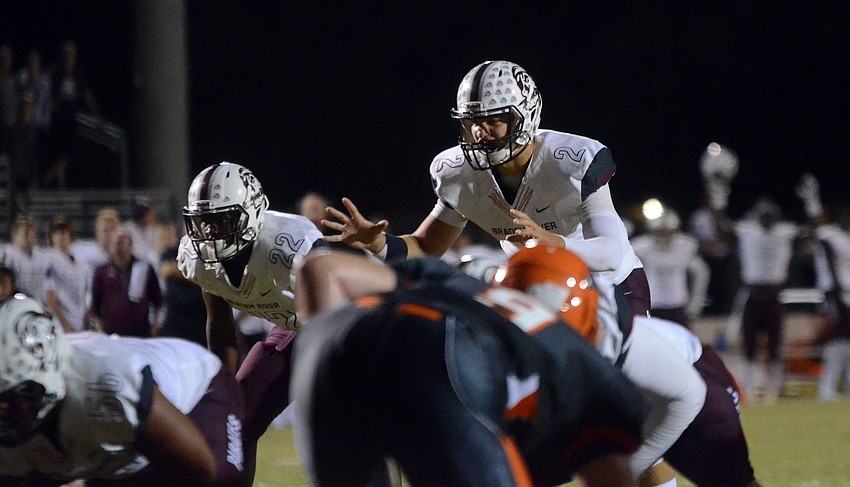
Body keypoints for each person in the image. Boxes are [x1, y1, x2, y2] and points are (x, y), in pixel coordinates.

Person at [323, 59, 650, 317]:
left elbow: (611, 253)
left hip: (610, 287)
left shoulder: (572, 159)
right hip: (537, 292)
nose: (479, 132)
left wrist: (553, 243)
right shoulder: (457, 173)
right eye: (472, 122)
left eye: (492, 121)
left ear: (526, 116)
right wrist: (378, 242)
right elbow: (425, 247)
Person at [292, 250, 646, 487]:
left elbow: (322, 268)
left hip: (326, 341)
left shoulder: (463, 287)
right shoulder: (591, 372)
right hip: (441, 347)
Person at [496, 244, 762, 487]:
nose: (548, 343)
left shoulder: (620, 342)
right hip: (609, 398)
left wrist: (624, 472)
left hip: (689, 383)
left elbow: (686, 396)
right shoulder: (493, 330)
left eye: (557, 331)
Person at [177, 161, 325, 481]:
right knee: (234, 426)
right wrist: (222, 391)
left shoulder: (289, 243)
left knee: (354, 427)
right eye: (204, 223)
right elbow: (219, 324)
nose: (210, 232)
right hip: (293, 326)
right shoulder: (198, 258)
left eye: (220, 221)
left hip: (346, 325)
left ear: (250, 213)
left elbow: (335, 313)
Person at [0, 294, 247, 486]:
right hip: (111, 448)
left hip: (195, 392)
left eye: (16, 400)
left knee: (221, 482)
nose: (6, 414)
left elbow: (199, 472)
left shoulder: (103, 381)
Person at [795, 174, 850, 402]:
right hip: (834, 292)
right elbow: (824, 249)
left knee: (846, 341)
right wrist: (837, 288)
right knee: (838, 340)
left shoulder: (845, 238)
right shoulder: (830, 235)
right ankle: (827, 391)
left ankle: (844, 388)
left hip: (846, 292)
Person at [632, 205, 710, 328]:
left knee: (684, 343)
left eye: (666, 231)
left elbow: (701, 273)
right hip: (652, 304)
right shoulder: (640, 247)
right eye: (659, 231)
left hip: (677, 304)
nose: (663, 235)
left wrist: (696, 303)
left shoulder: (685, 245)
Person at [89, 226, 163, 338]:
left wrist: (155, 326)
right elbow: (95, 307)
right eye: (116, 242)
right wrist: (100, 331)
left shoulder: (144, 268)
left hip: (140, 334)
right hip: (112, 335)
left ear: (130, 244)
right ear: (110, 246)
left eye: (122, 242)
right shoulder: (102, 272)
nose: (119, 246)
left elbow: (158, 301)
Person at [45, 40, 99, 189]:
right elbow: (45, 83)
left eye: (71, 55)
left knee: (71, 153)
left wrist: (96, 114)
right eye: (67, 55)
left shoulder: (78, 73)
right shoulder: (57, 71)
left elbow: (87, 93)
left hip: (71, 118)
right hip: (58, 119)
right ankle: (60, 187)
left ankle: (48, 178)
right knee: (59, 154)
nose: (69, 58)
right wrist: (50, 104)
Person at [43, 218, 90, 332]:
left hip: (80, 323)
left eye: (64, 231)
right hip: (61, 326)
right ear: (51, 238)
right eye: (57, 232)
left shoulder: (81, 263)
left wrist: (88, 320)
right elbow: (50, 297)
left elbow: (85, 296)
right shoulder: (48, 259)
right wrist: (65, 325)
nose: (61, 235)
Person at [2, 215, 50, 302]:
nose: (30, 239)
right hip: (15, 303)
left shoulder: (42, 257)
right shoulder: (7, 255)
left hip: (38, 304)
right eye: (25, 235)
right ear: (14, 236)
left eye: (32, 236)